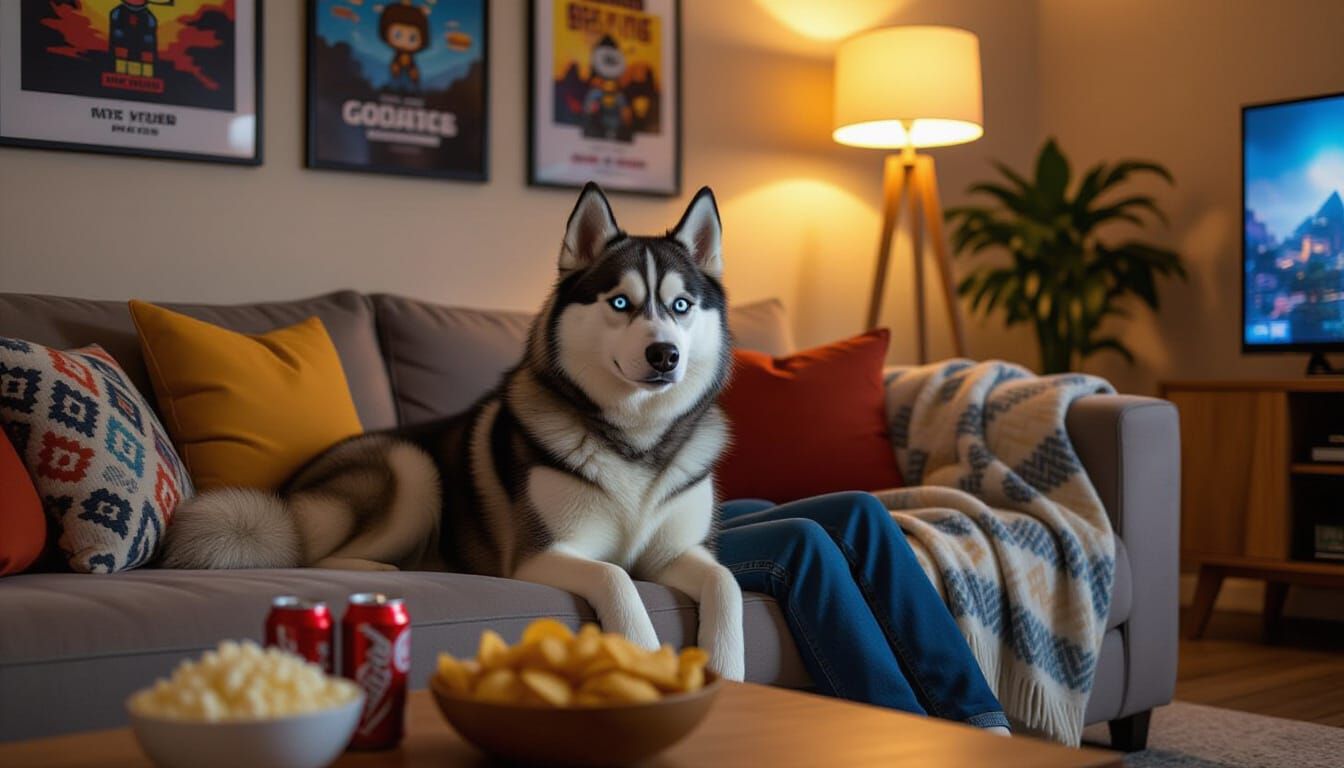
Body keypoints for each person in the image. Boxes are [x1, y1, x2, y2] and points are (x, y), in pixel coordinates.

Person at [714, 491, 1010, 734]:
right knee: (800, 540)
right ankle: (906, 739)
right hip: (668, 528)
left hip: (695, 502)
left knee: (860, 510)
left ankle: (984, 727)